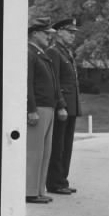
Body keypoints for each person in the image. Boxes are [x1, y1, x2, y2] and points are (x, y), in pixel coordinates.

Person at [26, 17, 67, 204]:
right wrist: (31, 109)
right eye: (45, 33)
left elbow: (54, 81)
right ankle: (30, 190)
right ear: (34, 33)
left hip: (48, 107)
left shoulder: (42, 53)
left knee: (45, 151)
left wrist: (59, 104)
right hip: (39, 108)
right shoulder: (29, 53)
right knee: (35, 151)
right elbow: (28, 84)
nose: (49, 37)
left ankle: (39, 189)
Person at [46, 18, 81, 195]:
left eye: (74, 33)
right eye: (70, 32)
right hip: (63, 105)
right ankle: (54, 182)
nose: (73, 36)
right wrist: (60, 105)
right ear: (59, 32)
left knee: (66, 145)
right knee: (58, 145)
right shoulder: (53, 52)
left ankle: (62, 179)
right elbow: (55, 81)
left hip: (71, 105)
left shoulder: (66, 52)